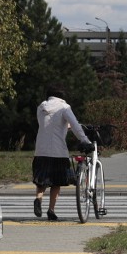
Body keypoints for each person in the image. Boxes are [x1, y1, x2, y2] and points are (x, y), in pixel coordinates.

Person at [32, 85, 92, 221]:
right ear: (61, 97)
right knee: (56, 182)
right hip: (58, 151)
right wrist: (85, 140)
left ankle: (38, 199)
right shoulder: (64, 108)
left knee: (41, 181)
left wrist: (64, 126)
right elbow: (76, 126)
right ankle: (51, 210)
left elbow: (48, 124)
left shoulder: (41, 107)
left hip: (41, 150)